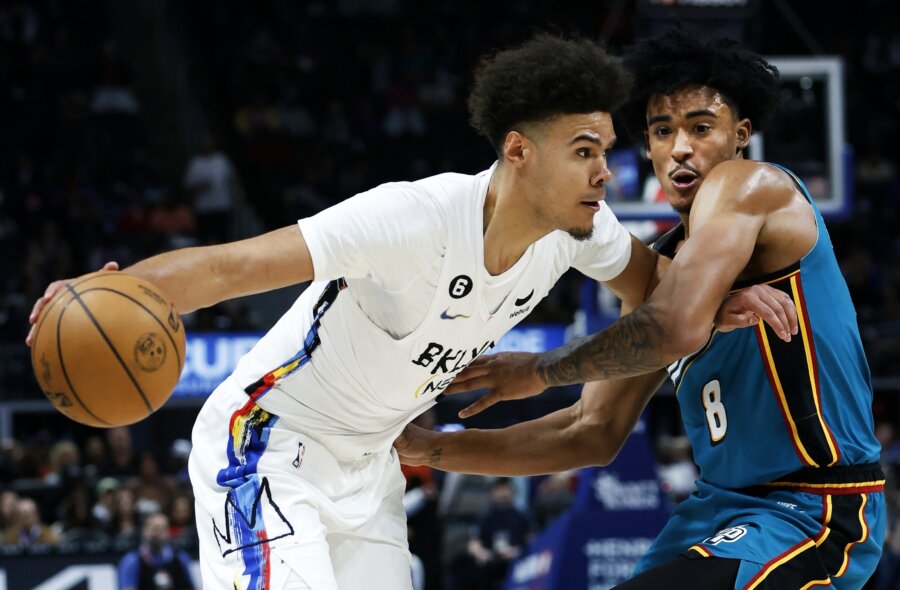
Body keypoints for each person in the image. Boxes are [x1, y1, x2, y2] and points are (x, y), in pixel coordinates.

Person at [27, 33, 789, 590]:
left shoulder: (581, 233)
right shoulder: (410, 220)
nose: (605, 172)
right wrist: (108, 292)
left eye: (606, 150)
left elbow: (656, 288)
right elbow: (233, 266)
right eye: (584, 151)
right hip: (266, 445)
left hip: (372, 469)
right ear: (519, 151)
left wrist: (718, 297)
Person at [395, 27, 886, 589]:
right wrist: (431, 448)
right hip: (718, 509)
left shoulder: (751, 184)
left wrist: (538, 370)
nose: (681, 147)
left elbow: (674, 326)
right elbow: (590, 430)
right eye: (662, 130)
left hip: (813, 507)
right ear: (648, 147)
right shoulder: (660, 270)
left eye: (701, 127)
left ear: (740, 135)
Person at [118, 512, 195, 590]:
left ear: (168, 533)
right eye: (155, 529)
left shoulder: (180, 558)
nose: (158, 533)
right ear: (145, 531)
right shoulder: (132, 561)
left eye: (162, 529)